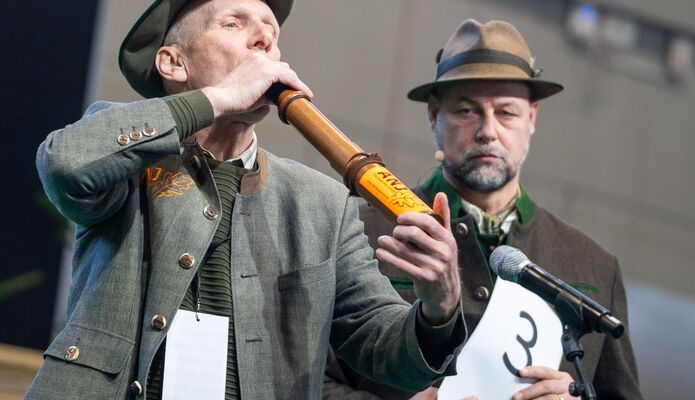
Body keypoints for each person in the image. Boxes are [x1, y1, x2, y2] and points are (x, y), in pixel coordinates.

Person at [25, 1, 467, 399]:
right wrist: (217, 98)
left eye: (271, 36)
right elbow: (65, 164)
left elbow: (384, 349)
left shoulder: (323, 204)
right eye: (233, 23)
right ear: (173, 62)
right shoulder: (127, 157)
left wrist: (439, 305)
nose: (263, 41)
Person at [323, 19, 643, 400]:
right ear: (433, 115)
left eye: (506, 112)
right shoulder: (358, 231)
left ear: (532, 117)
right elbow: (301, 380)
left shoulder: (594, 266)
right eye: (467, 111)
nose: (488, 131)